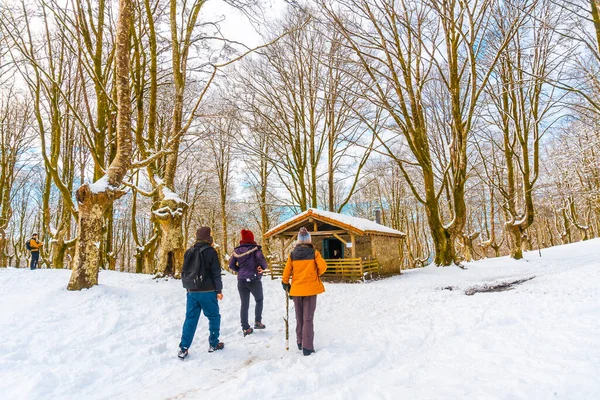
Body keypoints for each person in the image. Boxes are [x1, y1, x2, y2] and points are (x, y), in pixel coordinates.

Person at [178, 227, 224, 360]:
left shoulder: (189, 251)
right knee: (214, 317)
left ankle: (183, 348)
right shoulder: (211, 252)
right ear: (208, 237)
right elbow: (216, 273)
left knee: (190, 319)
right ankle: (214, 344)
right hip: (208, 291)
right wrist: (219, 290)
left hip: (191, 291)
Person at [282, 227, 327, 356]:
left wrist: (285, 283)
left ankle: (300, 342)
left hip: (296, 290)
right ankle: (307, 347)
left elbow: (287, 271)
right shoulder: (314, 253)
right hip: (311, 289)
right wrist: (315, 273)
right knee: (308, 318)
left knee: (299, 317)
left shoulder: (292, 254)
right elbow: (323, 266)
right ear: (309, 240)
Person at [228, 229, 268, 336]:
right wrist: (262, 267)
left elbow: (231, 265)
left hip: (241, 281)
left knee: (244, 304)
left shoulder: (236, 251)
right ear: (252, 238)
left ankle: (245, 328)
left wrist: (240, 271)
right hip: (254, 279)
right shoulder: (255, 249)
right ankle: (258, 322)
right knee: (259, 300)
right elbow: (262, 261)